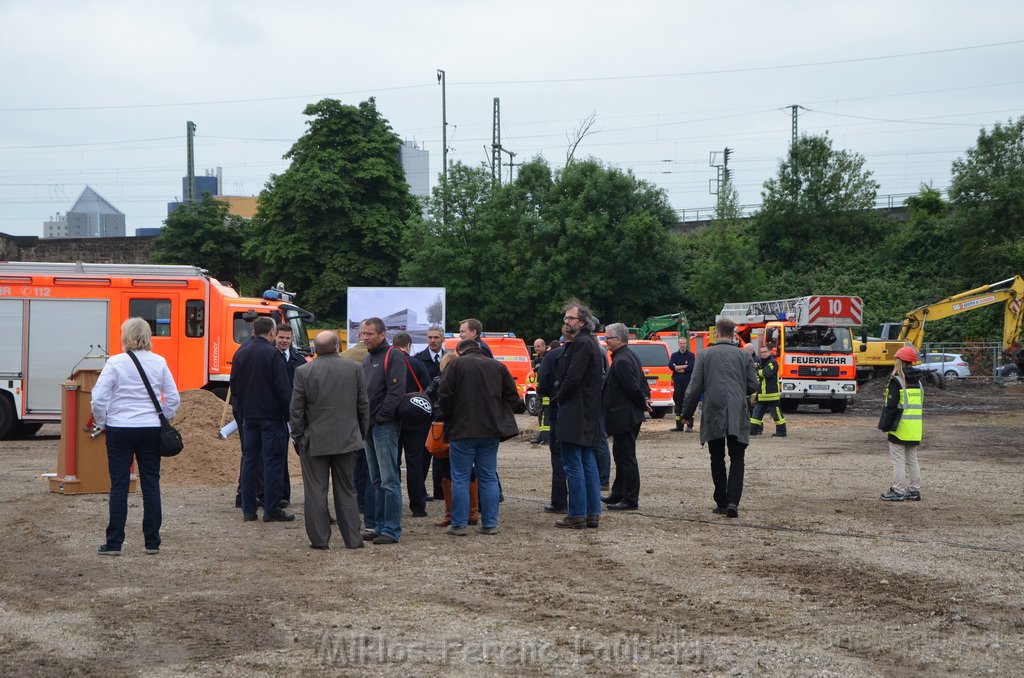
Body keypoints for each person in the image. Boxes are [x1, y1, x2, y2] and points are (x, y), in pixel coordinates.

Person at [91, 317, 180, 555]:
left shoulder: (115, 363)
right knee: (151, 483)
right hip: (150, 428)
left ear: (125, 336)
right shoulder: (159, 362)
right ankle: (152, 542)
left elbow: (99, 398)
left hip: (119, 427)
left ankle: (114, 543)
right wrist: (164, 418)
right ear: (148, 336)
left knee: (119, 485)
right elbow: (173, 398)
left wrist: (103, 421)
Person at [290, 331, 369, 549]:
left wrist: (298, 437)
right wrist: (360, 433)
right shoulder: (354, 368)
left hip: (314, 440)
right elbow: (363, 405)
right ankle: (353, 539)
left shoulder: (303, 371)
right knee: (347, 489)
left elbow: (296, 410)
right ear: (337, 347)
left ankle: (319, 540)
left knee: (315, 490)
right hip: (347, 438)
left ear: (315, 349)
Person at [437, 339, 521, 536]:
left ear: (460, 351)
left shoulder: (456, 365)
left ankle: (459, 524)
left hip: (462, 430)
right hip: (490, 430)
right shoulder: (497, 366)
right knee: (488, 477)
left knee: (460, 478)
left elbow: (444, 394)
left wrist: (450, 416)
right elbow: (513, 397)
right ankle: (490, 523)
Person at [680, 318, 759, 519]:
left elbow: (694, 387)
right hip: (737, 411)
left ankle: (721, 502)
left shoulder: (705, 355)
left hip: (714, 410)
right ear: (734, 334)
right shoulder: (744, 356)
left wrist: (686, 414)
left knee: (717, 458)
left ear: (716, 333)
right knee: (737, 458)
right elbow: (753, 385)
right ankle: (733, 501)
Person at [231, 317, 294, 522]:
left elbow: (235, 386)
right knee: (272, 462)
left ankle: (248, 509)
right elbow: (282, 388)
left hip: (248, 416)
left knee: (250, 461)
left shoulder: (240, 352)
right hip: (271, 417)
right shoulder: (272, 354)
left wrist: (241, 412)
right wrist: (289, 415)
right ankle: (271, 509)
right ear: (271, 332)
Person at [552, 300, 604, 529]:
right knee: (586, 461)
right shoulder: (590, 343)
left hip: (576, 410)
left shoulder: (582, 344)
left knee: (573, 463)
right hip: (587, 410)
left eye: (570, 318)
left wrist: (559, 398)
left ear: (582, 322)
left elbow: (573, 378)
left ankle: (576, 514)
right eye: (565, 318)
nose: (566, 322)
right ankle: (592, 512)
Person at [359, 317, 407, 545]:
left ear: (382, 334)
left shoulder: (393, 355)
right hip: (369, 427)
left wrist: (381, 417)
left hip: (383, 426)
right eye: (363, 333)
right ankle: (379, 526)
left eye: (369, 334)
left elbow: (396, 391)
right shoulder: (368, 359)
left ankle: (391, 529)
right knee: (376, 480)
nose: (365, 337)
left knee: (389, 480)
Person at [600, 323, 652, 511]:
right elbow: (642, 384)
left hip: (625, 416)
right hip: (626, 415)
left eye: (608, 338)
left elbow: (632, 388)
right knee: (620, 455)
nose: (606, 342)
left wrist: (642, 402)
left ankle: (630, 498)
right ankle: (618, 492)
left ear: (619, 339)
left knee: (626, 457)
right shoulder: (628, 356)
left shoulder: (622, 360)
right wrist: (645, 399)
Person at [393, 331, 431, 517]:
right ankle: (418, 506)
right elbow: (428, 389)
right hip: (415, 419)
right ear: (408, 346)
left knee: (393, 463)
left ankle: (393, 504)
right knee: (415, 462)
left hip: (393, 418)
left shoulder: (388, 363)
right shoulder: (417, 364)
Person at [879, 345, 924, 502]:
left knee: (898, 460)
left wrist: (884, 426)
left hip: (899, 428)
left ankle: (898, 491)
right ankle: (914, 491)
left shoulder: (896, 381)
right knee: (912, 459)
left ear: (900, 361)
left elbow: (890, 407)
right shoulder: (918, 383)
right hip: (915, 429)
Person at [275, 323, 307, 506]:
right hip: (277, 414)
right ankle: (281, 495)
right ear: (275, 336)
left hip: (296, 415)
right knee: (278, 456)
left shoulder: (299, 360)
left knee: (303, 453)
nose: (285, 341)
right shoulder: (270, 357)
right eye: (281, 338)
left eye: (288, 338)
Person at [415, 325, 446, 500]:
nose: (432, 341)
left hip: (443, 412)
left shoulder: (450, 359)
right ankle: (420, 491)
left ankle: (441, 490)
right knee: (423, 453)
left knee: (442, 452)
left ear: (442, 339)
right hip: (425, 413)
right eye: (429, 337)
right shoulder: (419, 360)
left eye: (435, 337)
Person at [537, 338, 567, 513]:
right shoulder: (595, 352)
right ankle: (586, 506)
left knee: (559, 457)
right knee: (584, 460)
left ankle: (560, 501)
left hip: (558, 411)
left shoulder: (552, 356)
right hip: (586, 416)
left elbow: (544, 384)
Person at [749, 343, 786, 437]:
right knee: (756, 415)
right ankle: (753, 431)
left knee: (776, 415)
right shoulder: (763, 362)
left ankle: (781, 432)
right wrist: (757, 367)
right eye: (761, 352)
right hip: (762, 395)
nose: (763, 354)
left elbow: (766, 373)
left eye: (765, 352)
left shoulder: (772, 362)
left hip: (771, 395)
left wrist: (756, 370)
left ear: (770, 351)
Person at [669, 336, 696, 432]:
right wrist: (683, 367)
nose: (682, 345)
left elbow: (691, 367)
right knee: (678, 404)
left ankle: (689, 426)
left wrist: (678, 368)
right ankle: (679, 426)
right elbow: (671, 366)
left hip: (688, 383)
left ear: (686, 344)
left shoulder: (691, 355)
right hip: (678, 383)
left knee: (688, 403)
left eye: (684, 343)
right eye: (681, 343)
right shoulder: (674, 355)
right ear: (678, 344)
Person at [529, 338, 550, 446]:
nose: (536, 349)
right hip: (539, 390)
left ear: (544, 346)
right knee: (539, 413)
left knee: (546, 414)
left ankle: (546, 437)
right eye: (535, 346)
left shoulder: (547, 358)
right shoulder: (537, 359)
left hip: (546, 391)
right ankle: (541, 436)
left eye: (538, 346)